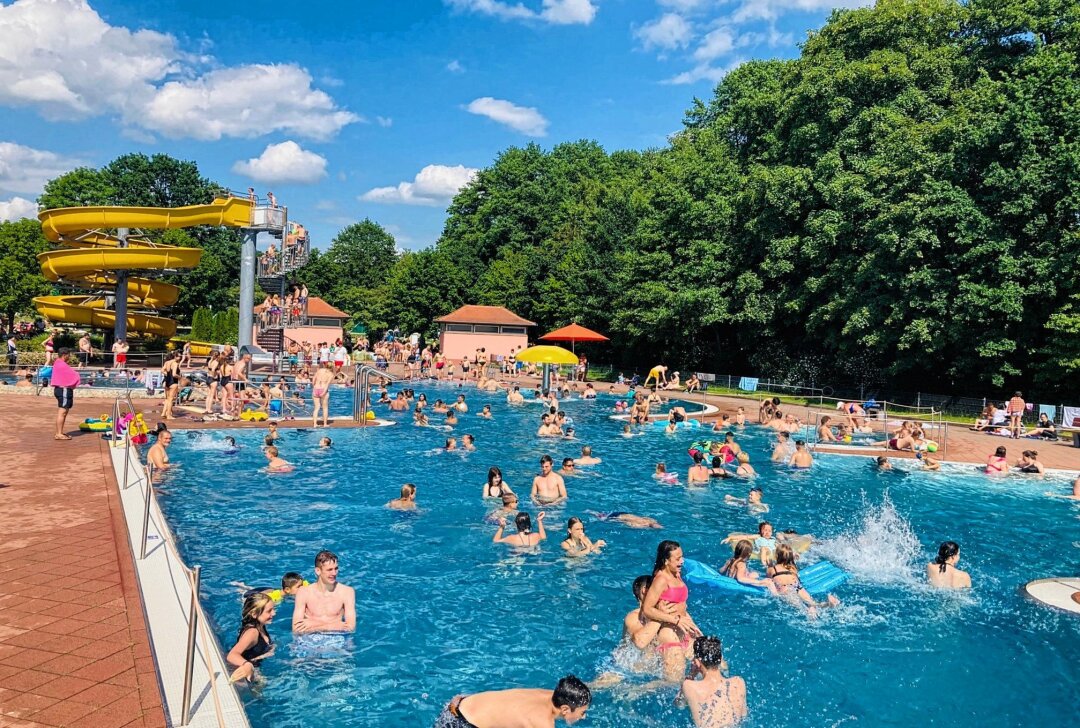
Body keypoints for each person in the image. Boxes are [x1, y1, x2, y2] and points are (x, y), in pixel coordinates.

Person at [641, 540, 702, 681]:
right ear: (666, 561)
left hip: (684, 630)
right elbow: (647, 609)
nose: (682, 561)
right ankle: (635, 691)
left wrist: (694, 627)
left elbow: (681, 605)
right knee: (672, 683)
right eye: (678, 559)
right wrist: (676, 620)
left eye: (682, 557)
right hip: (669, 634)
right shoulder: (661, 579)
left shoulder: (676, 573)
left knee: (715, 665)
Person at [434, 675, 591, 728]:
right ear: (565, 709)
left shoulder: (552, 694)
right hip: (459, 724)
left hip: (458, 703)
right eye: (582, 712)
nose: (583, 716)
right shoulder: (542, 723)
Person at [678, 636, 747, 728]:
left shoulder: (689, 686)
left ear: (697, 662)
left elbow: (679, 705)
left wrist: (691, 675)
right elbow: (744, 717)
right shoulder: (739, 683)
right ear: (720, 658)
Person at [292, 550, 356, 633]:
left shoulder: (347, 592)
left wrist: (313, 624)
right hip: (309, 637)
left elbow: (350, 628)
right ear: (318, 571)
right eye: (329, 570)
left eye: (336, 569)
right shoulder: (304, 592)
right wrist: (333, 625)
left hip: (336, 636)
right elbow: (296, 629)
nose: (334, 573)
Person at [769, 544, 841, 616]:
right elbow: (791, 559)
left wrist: (769, 564)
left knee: (800, 608)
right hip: (797, 586)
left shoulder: (772, 569)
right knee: (813, 603)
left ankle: (810, 611)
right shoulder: (793, 567)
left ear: (777, 556)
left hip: (786, 588)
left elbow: (770, 577)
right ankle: (828, 604)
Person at [226, 592, 276, 683]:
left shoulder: (260, 625)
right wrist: (247, 665)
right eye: (269, 611)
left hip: (257, 664)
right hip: (249, 670)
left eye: (273, 609)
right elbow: (231, 655)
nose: (274, 613)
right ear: (254, 614)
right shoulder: (252, 633)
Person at [49, 349, 81, 440]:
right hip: (63, 390)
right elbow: (74, 374)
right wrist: (77, 377)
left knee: (64, 412)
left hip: (61, 389)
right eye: (68, 355)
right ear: (64, 355)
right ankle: (59, 433)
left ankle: (60, 432)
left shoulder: (57, 363)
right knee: (62, 412)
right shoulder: (61, 364)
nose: (69, 357)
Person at [161, 351, 183, 420]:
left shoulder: (167, 362)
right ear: (175, 356)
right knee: (170, 399)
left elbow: (162, 370)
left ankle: (164, 413)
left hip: (167, 381)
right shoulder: (175, 364)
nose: (180, 358)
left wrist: (166, 374)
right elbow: (174, 374)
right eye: (179, 356)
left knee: (167, 399)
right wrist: (180, 377)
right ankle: (169, 415)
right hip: (173, 382)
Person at [311, 362, 334, 427]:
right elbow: (327, 385)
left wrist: (314, 386)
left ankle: (315, 424)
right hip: (323, 389)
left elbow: (313, 379)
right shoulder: (331, 374)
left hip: (316, 389)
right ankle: (325, 424)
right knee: (325, 408)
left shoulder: (320, 370)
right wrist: (324, 392)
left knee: (316, 408)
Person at [589, 511, 662, 529]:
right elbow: (628, 523)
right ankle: (591, 512)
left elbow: (644, 516)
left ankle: (593, 512)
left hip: (624, 514)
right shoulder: (641, 525)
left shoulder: (651, 520)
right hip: (618, 517)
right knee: (602, 519)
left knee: (603, 515)